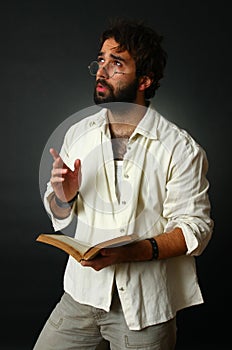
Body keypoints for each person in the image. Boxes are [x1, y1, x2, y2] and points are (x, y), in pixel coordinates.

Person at [33, 18, 213, 350]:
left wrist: (131, 253)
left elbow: (195, 229)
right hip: (81, 294)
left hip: (144, 308)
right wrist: (63, 198)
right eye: (101, 60)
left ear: (145, 80)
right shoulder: (78, 133)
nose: (102, 71)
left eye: (116, 63)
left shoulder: (180, 148)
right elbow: (59, 213)